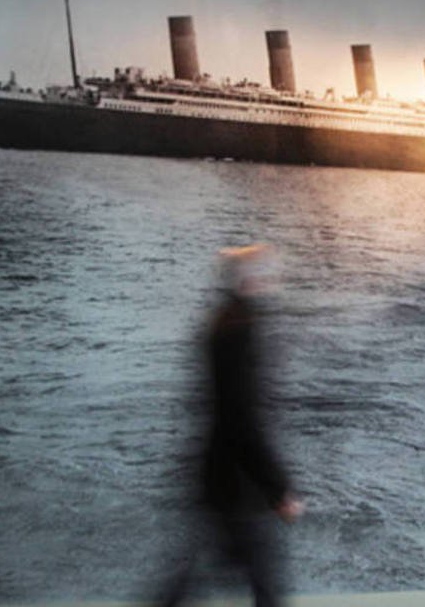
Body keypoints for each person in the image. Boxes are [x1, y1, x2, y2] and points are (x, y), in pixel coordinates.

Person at [160, 244, 303, 607]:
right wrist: (277, 488)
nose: (272, 280)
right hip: (239, 484)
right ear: (250, 280)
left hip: (218, 474)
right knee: (265, 582)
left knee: (196, 576)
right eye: (266, 274)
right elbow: (243, 417)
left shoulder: (221, 321)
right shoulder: (242, 330)